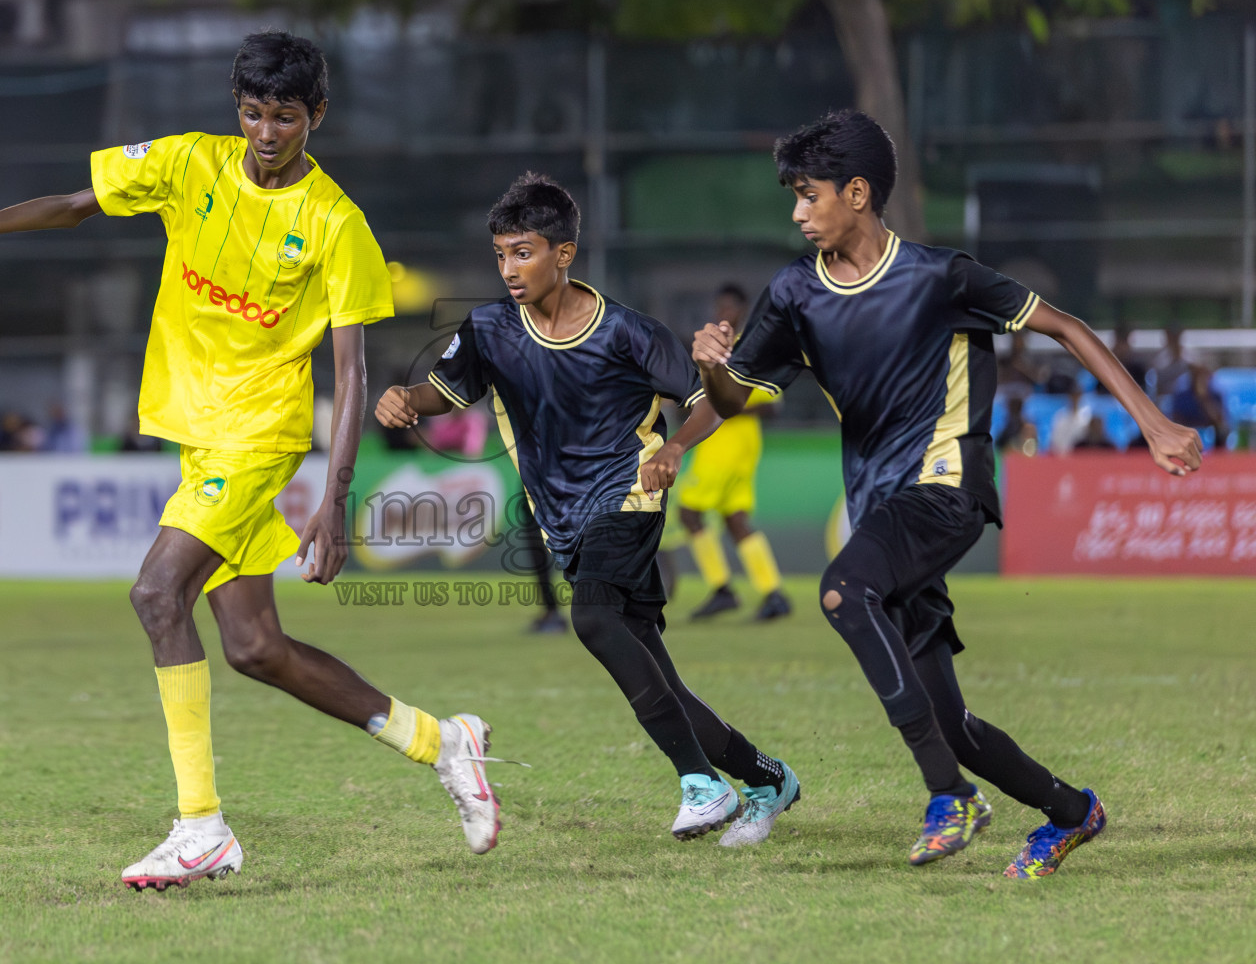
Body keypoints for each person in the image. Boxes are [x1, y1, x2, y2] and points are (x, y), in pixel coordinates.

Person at [0, 31, 500, 888]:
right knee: (256, 647)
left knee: (156, 593)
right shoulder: (188, 165)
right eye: (253, 113)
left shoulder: (335, 224)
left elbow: (352, 369)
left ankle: (201, 828)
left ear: (316, 117)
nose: (266, 133)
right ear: (238, 111)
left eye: (285, 117)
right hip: (200, 436)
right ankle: (444, 742)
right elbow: (79, 203)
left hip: (260, 436)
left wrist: (335, 502)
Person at [693, 110, 1202, 878]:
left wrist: (1155, 422)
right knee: (949, 720)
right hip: (881, 511)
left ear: (856, 192)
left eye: (808, 194)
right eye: (792, 197)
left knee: (841, 591)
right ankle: (1073, 812)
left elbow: (1066, 327)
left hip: (948, 489)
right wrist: (693, 398)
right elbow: (732, 398)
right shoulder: (796, 292)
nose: (796, 212)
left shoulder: (941, 276)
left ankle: (948, 797)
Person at [377, 173, 800, 845]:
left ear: (564, 254)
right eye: (501, 255)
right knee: (658, 678)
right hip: (563, 519)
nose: (510, 269)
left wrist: (676, 449)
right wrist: (406, 400)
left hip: (630, 495)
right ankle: (767, 777)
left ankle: (701, 783)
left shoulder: (629, 333)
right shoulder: (488, 328)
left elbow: (712, 400)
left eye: (524, 252)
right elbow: (444, 392)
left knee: (595, 617)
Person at [674, 284, 792, 623]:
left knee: (689, 512)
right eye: (719, 306)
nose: (723, 313)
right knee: (735, 519)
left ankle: (722, 590)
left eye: (730, 307)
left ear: (743, 311)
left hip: (728, 445)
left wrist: (723, 407)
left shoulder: (747, 349)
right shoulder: (716, 349)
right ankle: (773, 593)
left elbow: (772, 407)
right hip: (728, 444)